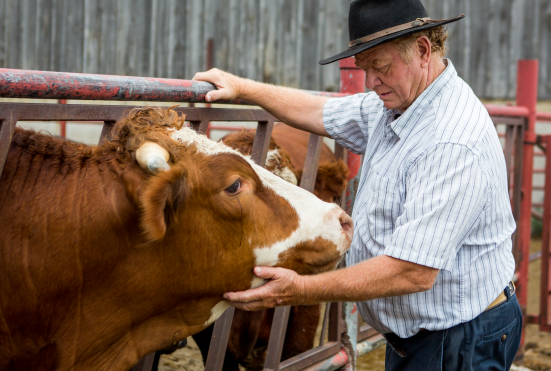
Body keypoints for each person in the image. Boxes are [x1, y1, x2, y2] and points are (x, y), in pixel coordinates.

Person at [193, 0, 523, 369]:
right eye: (364, 69)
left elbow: (411, 270)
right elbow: (319, 111)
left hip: (459, 338)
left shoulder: (450, 141)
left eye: (379, 66)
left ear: (422, 50)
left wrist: (298, 289)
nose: (371, 82)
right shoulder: (400, 104)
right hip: (423, 333)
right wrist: (242, 87)